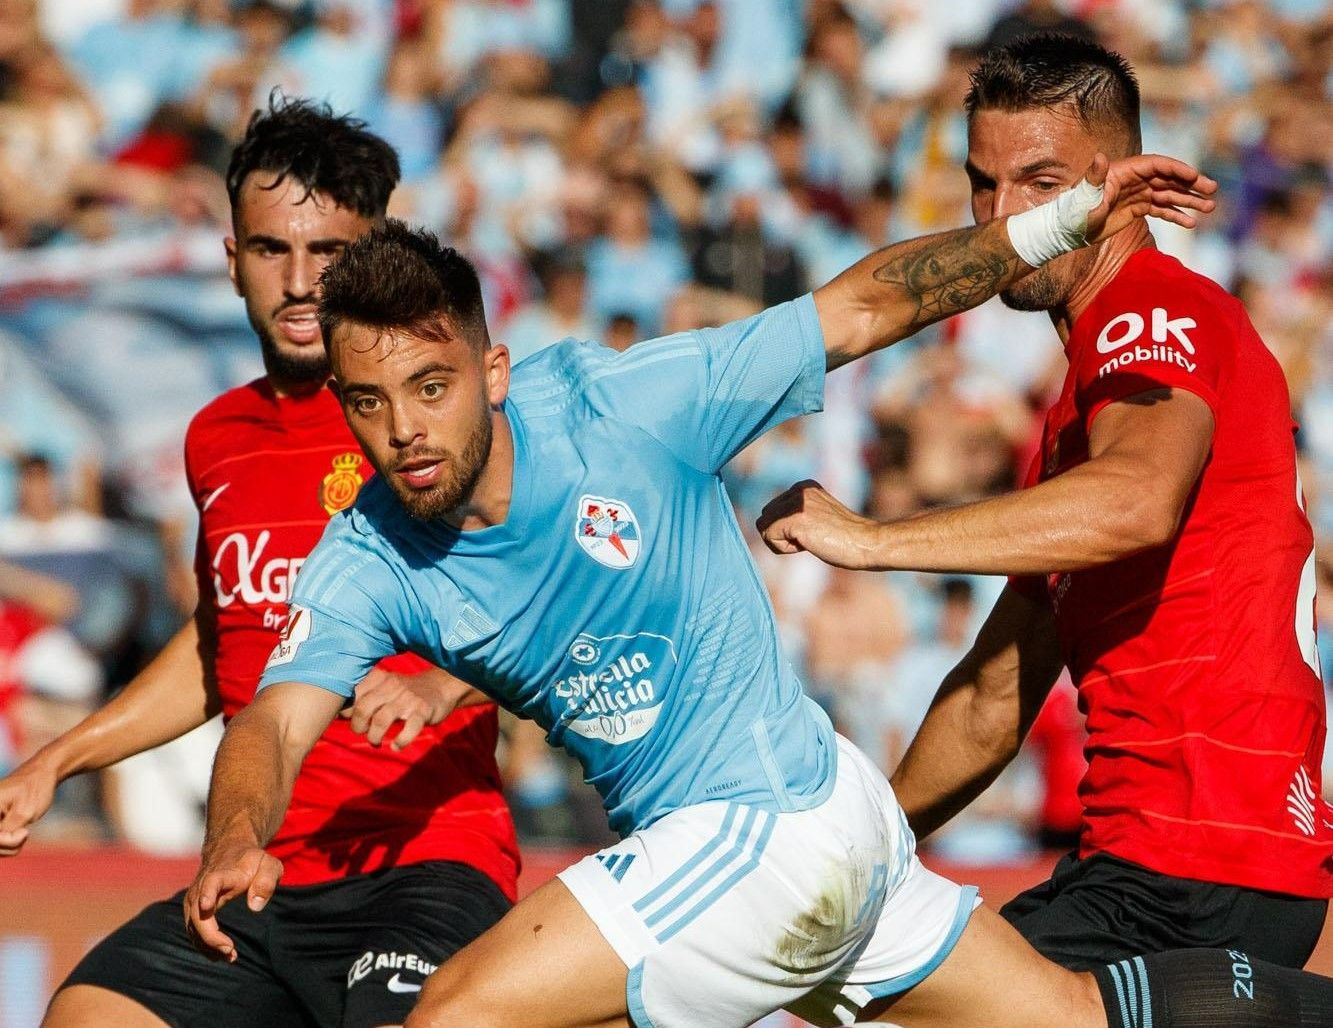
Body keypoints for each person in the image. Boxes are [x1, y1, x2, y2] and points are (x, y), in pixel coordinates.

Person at [178, 175, 1333, 1025]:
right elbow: (276, 718)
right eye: (369, 403)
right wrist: (236, 829)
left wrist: (1049, 223)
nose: (405, 431)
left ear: (490, 371)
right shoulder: (365, 555)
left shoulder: (621, 408)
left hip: (769, 822)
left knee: (457, 1017)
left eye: (430, 388)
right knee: (1075, 1016)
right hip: (831, 834)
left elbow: (862, 307)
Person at [756, 33, 1333, 973]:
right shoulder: (1072, 421)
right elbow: (992, 696)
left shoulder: (1153, 310)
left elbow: (1136, 502)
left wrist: (867, 541)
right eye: (985, 184)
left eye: (1040, 182)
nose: (1003, 216)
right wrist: (859, 853)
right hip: (1163, 869)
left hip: (1189, 872)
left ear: (1114, 184)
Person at [0, 98, 519, 1028]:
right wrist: (58, 761)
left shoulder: (425, 417)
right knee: (85, 1016)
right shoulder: (216, 439)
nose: (301, 282)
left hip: (421, 865)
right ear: (233, 259)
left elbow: (559, 593)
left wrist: (445, 685)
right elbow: (223, 640)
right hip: (257, 871)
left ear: (375, 255)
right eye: (274, 249)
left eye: (329, 254)